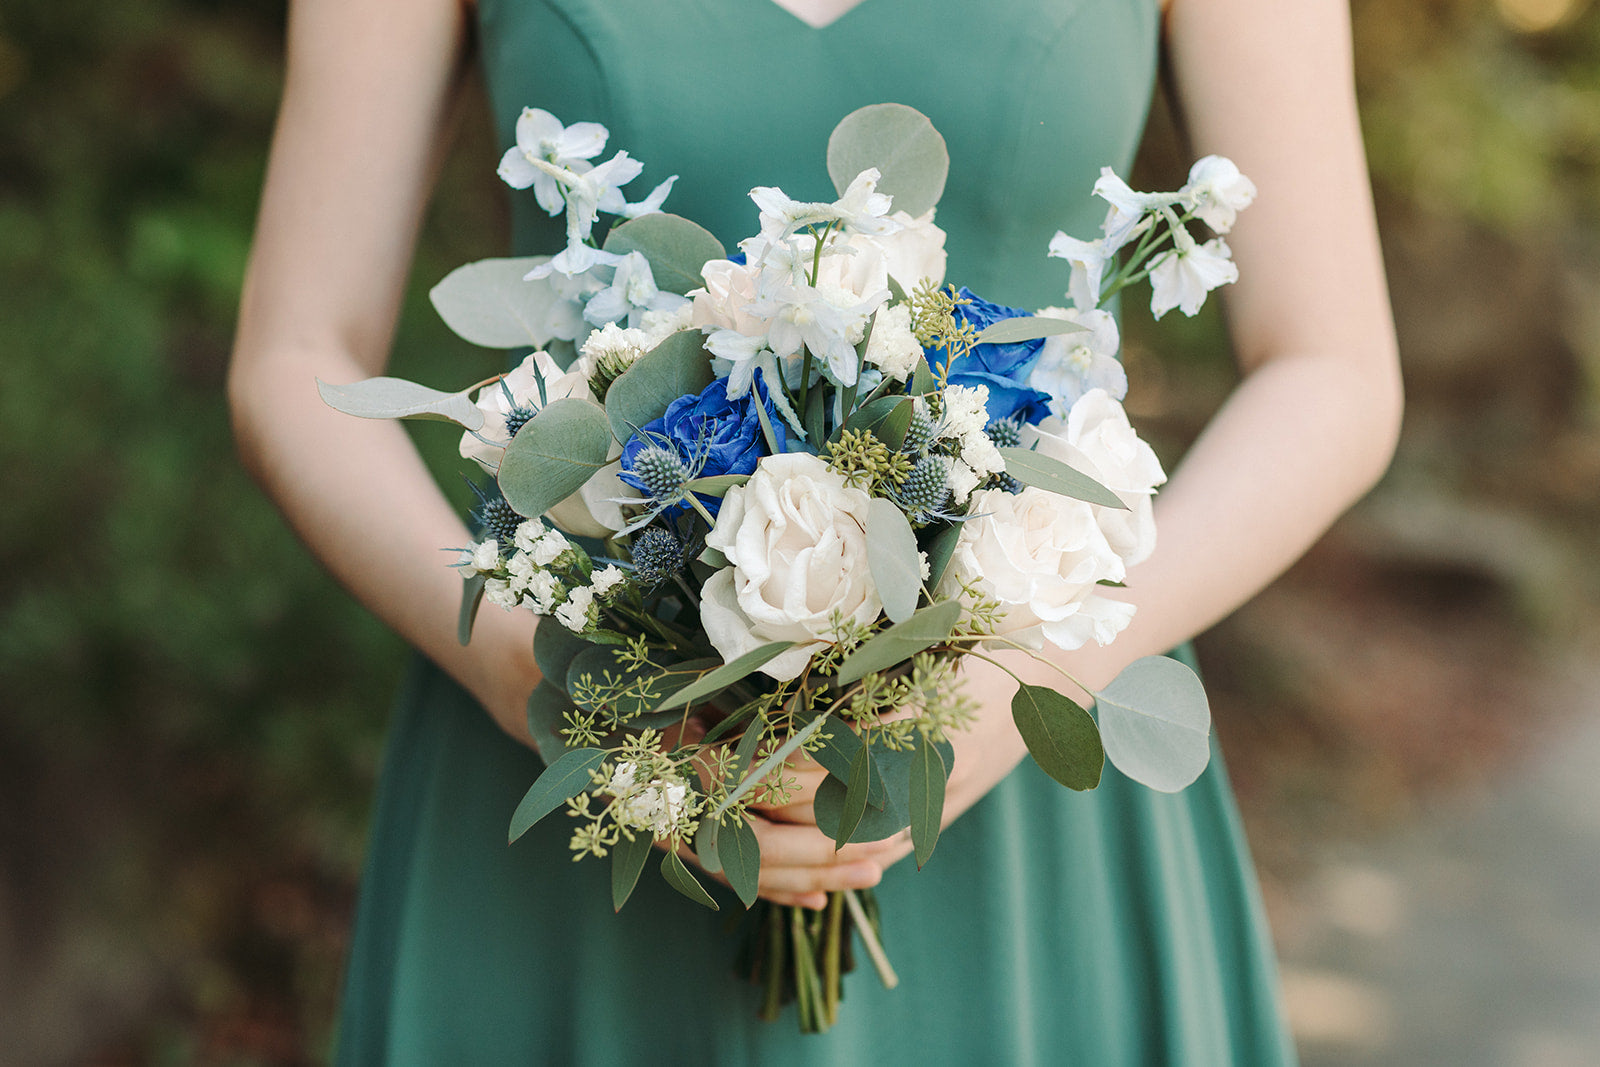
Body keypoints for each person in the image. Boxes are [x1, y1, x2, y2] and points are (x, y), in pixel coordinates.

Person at [229, 0, 1401, 1061]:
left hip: (1029, 745)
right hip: (585, 754)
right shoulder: (553, 701)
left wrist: (1049, 678)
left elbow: (1332, 367)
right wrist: (537, 685)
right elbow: (295, 355)